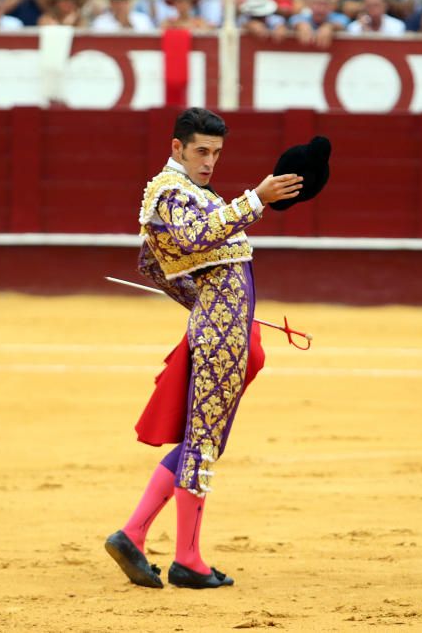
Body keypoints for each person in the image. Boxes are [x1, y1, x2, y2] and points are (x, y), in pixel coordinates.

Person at [105, 107, 302, 590]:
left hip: (224, 329)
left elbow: (154, 266)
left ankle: (134, 534)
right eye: (201, 151)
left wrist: (212, 305)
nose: (210, 161)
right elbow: (191, 239)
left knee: (203, 439)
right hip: (219, 334)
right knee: (204, 443)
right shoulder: (169, 191)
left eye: (216, 153)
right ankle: (186, 559)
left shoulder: (195, 193)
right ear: (177, 148)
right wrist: (256, 199)